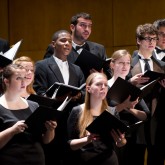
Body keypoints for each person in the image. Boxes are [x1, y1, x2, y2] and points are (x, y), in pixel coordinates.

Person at [33, 29, 85, 165]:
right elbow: (39, 93)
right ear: (53, 44)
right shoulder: (42, 65)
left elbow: (84, 92)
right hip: (53, 121)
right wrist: (57, 99)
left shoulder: (77, 69)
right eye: (63, 40)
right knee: (53, 158)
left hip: (73, 122)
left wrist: (79, 94)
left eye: (69, 41)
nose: (67, 43)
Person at [0, 64, 57, 165]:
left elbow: (46, 140)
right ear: (7, 81)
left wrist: (50, 130)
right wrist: (12, 131)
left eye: (24, 78)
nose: (23, 82)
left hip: (37, 159)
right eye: (18, 78)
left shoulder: (34, 105)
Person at [66, 72, 127, 165]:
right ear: (88, 88)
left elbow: (121, 143)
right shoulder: (77, 111)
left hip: (109, 160)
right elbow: (70, 144)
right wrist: (87, 140)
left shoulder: (112, 111)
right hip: (85, 159)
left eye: (106, 85)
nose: (103, 87)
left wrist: (121, 141)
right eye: (98, 84)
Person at [127, 23, 165, 165]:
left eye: (154, 39)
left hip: (157, 120)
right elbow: (118, 90)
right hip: (135, 118)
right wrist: (130, 82)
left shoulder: (162, 66)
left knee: (156, 160)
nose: (151, 42)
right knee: (134, 159)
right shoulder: (128, 63)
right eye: (148, 38)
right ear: (138, 40)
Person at [107, 49, 150, 165]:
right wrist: (125, 105)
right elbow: (104, 112)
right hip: (112, 136)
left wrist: (130, 109)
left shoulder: (133, 88)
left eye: (127, 63)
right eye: (121, 63)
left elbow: (146, 115)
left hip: (134, 138)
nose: (125, 66)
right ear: (112, 64)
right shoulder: (104, 86)